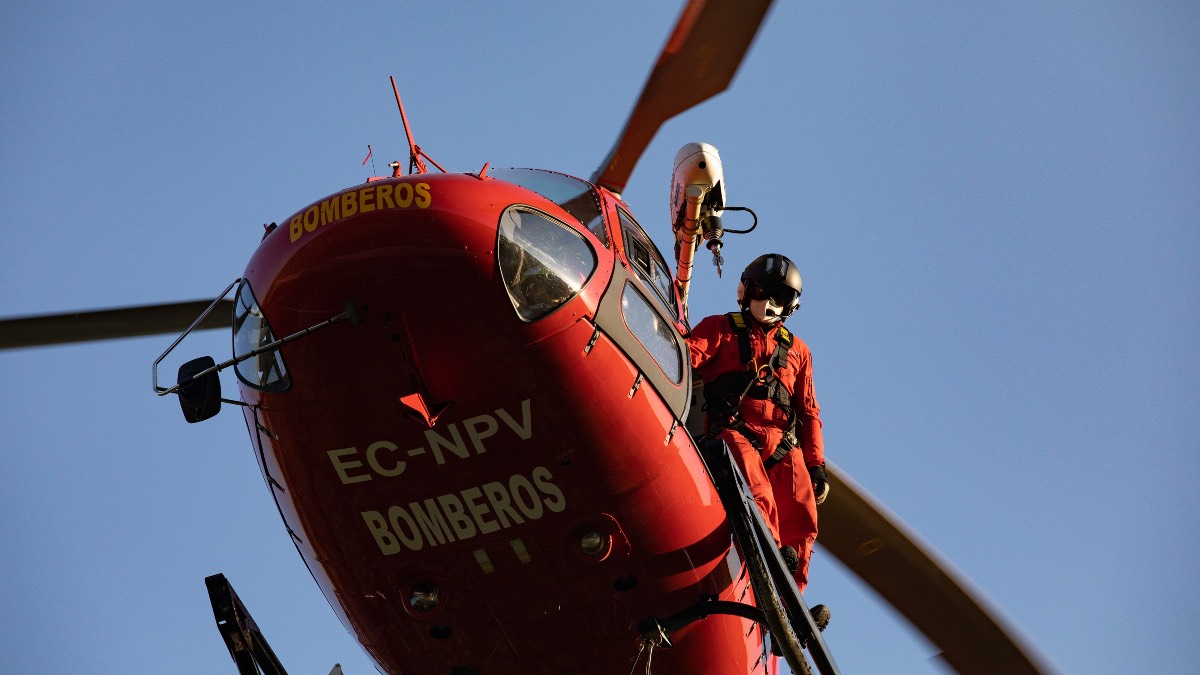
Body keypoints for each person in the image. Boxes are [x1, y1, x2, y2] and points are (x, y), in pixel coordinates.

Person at [687, 253, 830, 601]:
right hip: (734, 430)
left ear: (790, 306)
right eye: (762, 291)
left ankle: (792, 602)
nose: (767, 303)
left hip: (783, 443)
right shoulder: (718, 327)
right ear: (746, 290)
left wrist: (816, 465)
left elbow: (809, 412)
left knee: (802, 512)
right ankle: (770, 559)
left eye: (778, 297)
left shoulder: (799, 351)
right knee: (757, 492)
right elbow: (683, 356)